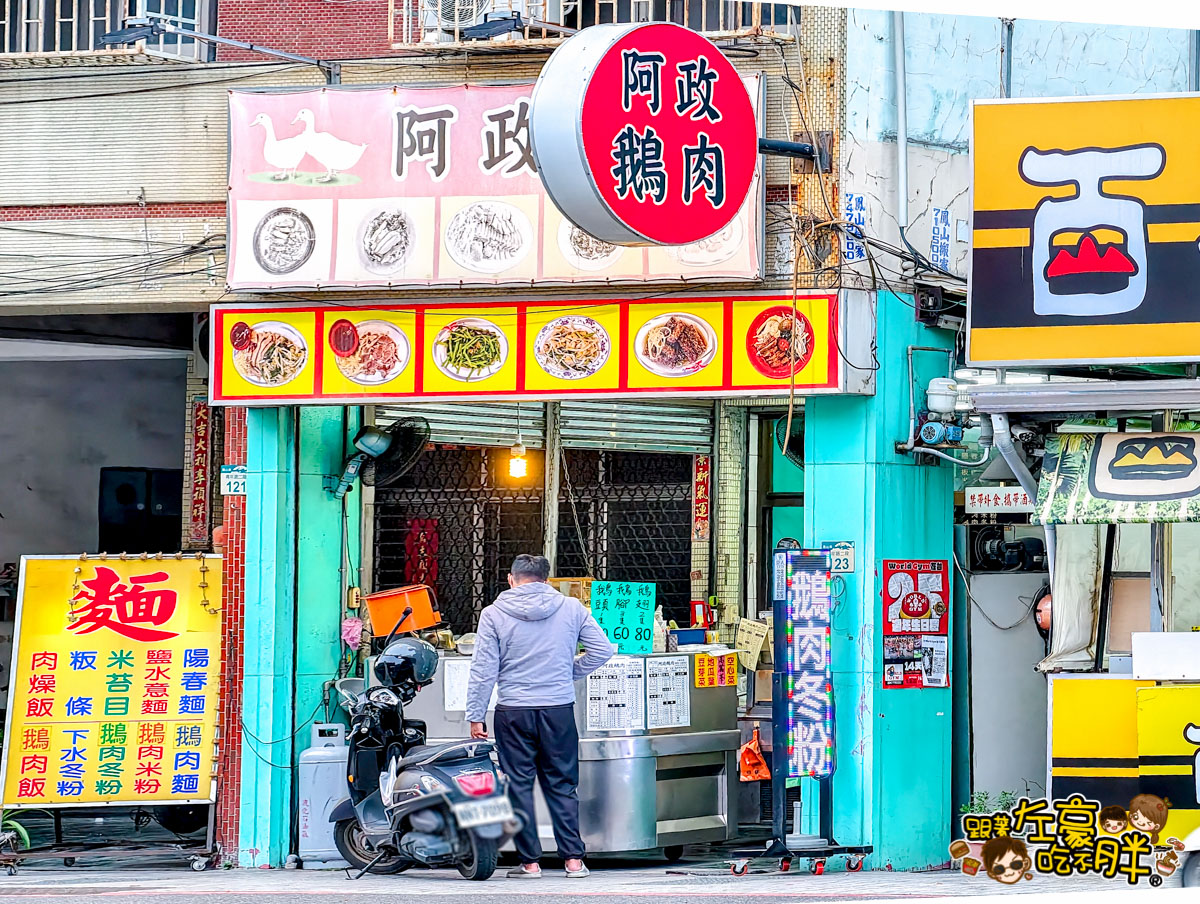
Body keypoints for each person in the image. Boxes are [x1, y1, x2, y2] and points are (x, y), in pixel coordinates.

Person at [466, 554, 615, 879]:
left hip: (513, 712)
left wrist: (476, 714)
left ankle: (530, 863)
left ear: (511, 579)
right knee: (562, 784)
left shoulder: (492, 614)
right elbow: (604, 650)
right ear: (547, 581)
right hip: (558, 709)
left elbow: (483, 669)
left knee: (518, 785)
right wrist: (568, 672)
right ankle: (573, 861)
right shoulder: (572, 608)